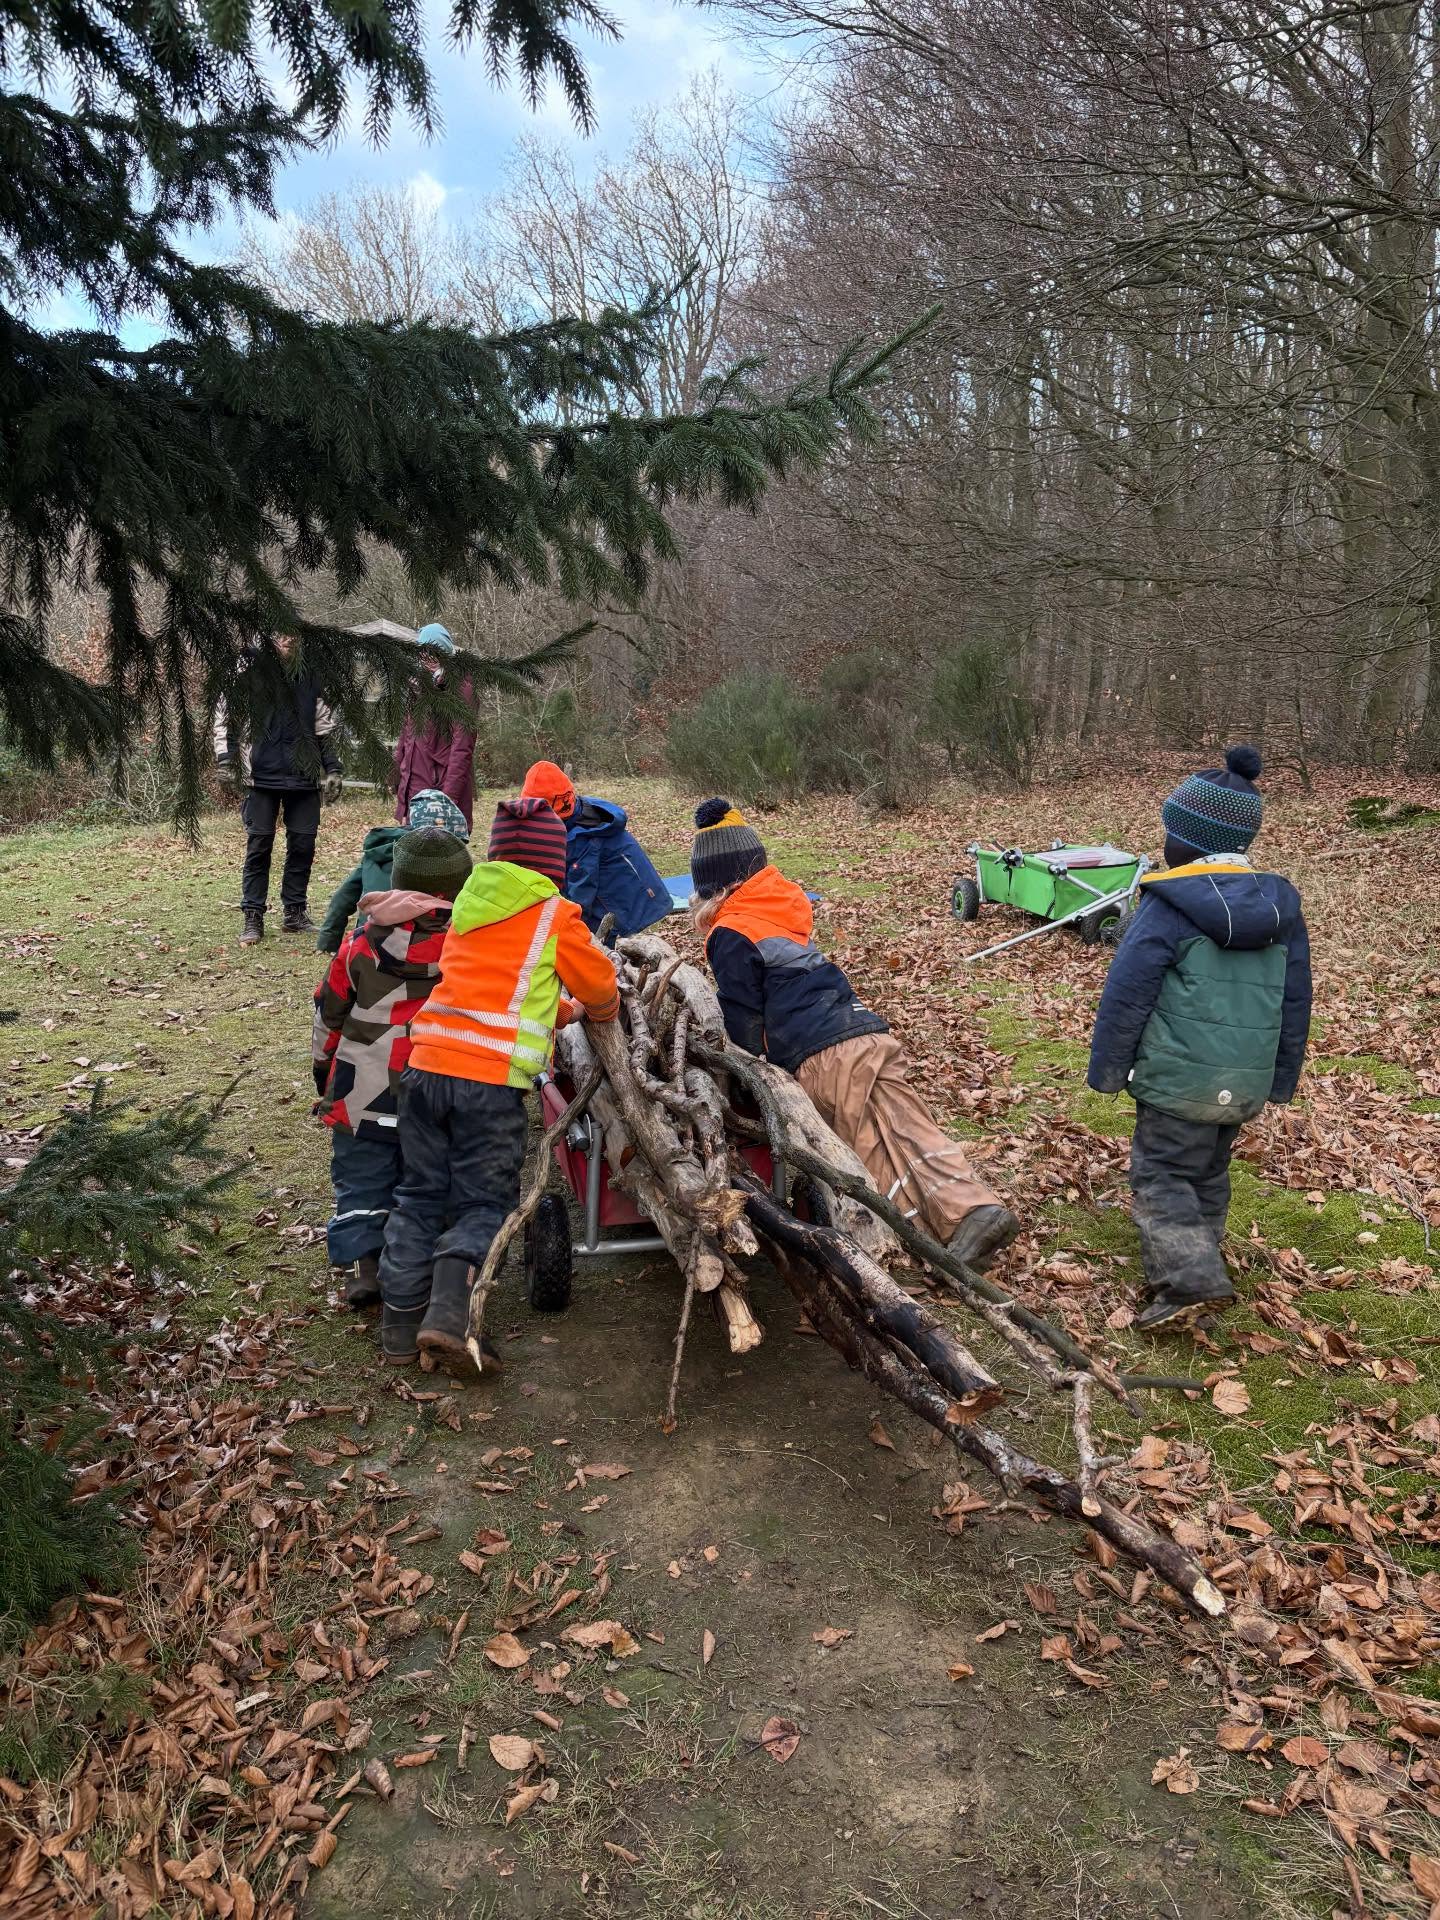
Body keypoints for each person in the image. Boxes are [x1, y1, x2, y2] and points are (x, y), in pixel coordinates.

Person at [689, 798, 1020, 1269]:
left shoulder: (731, 931)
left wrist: (743, 1074)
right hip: (863, 1027)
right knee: (907, 1122)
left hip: (818, 1049)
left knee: (867, 1143)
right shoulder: (782, 911)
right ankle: (974, 1208)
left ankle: (923, 1241)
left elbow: (744, 1020)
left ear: (715, 887)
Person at [378, 796, 620, 1368]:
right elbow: (598, 983)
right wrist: (601, 1013)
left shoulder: (468, 902)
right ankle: (448, 1317)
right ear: (553, 866)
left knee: (419, 1193)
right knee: (485, 1199)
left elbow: (501, 988)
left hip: (426, 1068)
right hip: (486, 1086)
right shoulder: (554, 915)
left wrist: (560, 1013)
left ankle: (399, 1323)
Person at [1087, 746, 1311, 1331]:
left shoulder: (1167, 905)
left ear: (1184, 839)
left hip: (1178, 1076)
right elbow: (1294, 999)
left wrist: (1108, 1070)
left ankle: (1189, 1280)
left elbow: (1128, 994)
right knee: (1208, 1170)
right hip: (1244, 1077)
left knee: (1161, 1172)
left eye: (1169, 830)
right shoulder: (1280, 909)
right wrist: (1281, 1077)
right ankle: (1201, 1258)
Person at [312, 827, 474, 1309]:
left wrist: (324, 1067)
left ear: (401, 882)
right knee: (430, 1175)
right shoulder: (473, 948)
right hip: (441, 1080)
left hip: (366, 1082)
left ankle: (365, 1264)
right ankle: (425, 1265)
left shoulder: (361, 945)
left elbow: (330, 1009)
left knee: (363, 1172)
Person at [215, 637, 342, 945]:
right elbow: (225, 716)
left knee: (303, 845)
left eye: (292, 635)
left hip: (304, 774)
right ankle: (253, 916)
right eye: (280, 634)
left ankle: (295, 913)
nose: (287, 640)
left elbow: (324, 725)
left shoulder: (310, 673)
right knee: (259, 847)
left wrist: (333, 767)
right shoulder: (247, 669)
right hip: (260, 775)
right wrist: (225, 759)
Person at [521, 759, 670, 937]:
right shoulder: (580, 812)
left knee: (605, 948)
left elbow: (580, 897)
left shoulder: (581, 838)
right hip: (625, 893)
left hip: (626, 903)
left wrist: (567, 933)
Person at [317, 788, 469, 955]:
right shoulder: (440, 868)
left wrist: (328, 942)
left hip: (370, 939)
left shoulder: (377, 853)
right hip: (424, 946)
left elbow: (342, 898)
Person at [391, 623, 478, 830]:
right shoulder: (416, 686)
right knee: (412, 857)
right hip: (413, 788)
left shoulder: (462, 690)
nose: (427, 657)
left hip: (439, 791)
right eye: (423, 651)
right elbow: (407, 736)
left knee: (442, 859)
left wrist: (447, 801)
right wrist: (397, 777)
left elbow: (462, 748)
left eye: (434, 651)